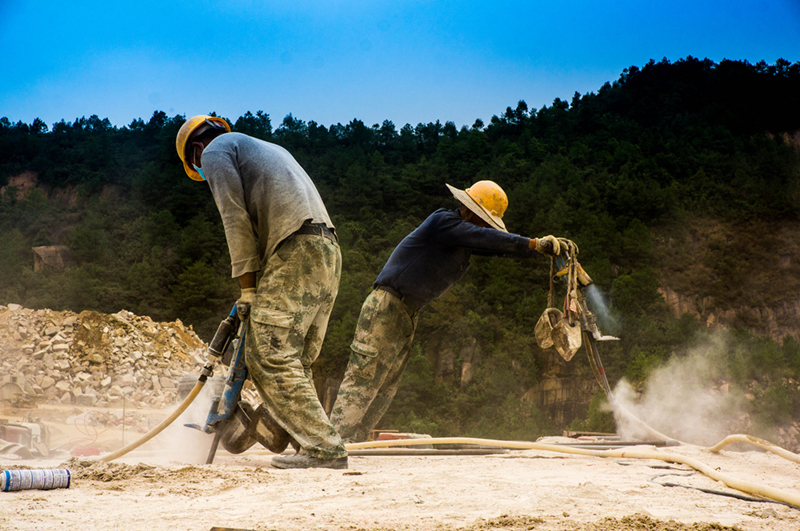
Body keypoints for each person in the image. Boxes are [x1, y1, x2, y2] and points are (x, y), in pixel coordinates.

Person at [330, 180, 564, 443]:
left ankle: (354, 441)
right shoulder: (443, 222)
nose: (487, 226)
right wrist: (533, 243)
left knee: (386, 383)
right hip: (387, 305)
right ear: (472, 211)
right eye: (486, 220)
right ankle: (333, 439)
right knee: (364, 374)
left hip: (407, 312)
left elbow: (496, 246)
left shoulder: (462, 239)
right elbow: (485, 237)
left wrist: (540, 250)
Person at [175, 115, 347, 469]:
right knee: (295, 358)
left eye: (197, 165)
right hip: (328, 250)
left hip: (295, 248)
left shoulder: (215, 151)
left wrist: (248, 290)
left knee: (269, 355)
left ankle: (324, 449)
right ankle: (306, 440)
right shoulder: (267, 149)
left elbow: (234, 220)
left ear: (195, 149)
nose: (203, 170)